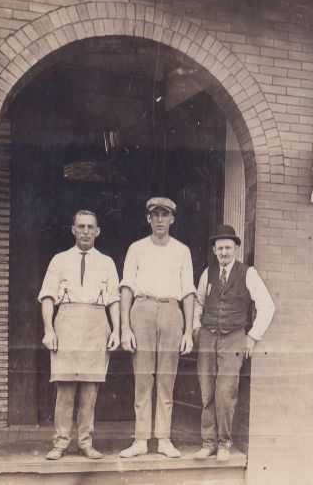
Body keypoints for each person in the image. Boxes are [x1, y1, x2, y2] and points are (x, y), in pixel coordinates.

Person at [39, 210, 121, 460]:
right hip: (67, 323)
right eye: (81, 226)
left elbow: (114, 300)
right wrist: (49, 329)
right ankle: (61, 442)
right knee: (65, 389)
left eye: (90, 227)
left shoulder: (106, 262)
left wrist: (117, 329)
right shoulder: (59, 260)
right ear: (73, 229)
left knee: (89, 390)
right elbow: (47, 297)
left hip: (96, 325)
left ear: (97, 231)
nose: (85, 231)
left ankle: (85, 442)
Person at [118, 197, 196, 459]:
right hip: (142, 310)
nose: (160, 219)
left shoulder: (182, 250)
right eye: (155, 215)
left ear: (172, 219)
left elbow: (188, 292)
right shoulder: (136, 248)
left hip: (171, 312)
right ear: (148, 219)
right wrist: (125, 328)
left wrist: (187, 331)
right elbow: (126, 288)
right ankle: (141, 439)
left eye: (165, 215)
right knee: (143, 377)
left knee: (166, 378)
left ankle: (163, 438)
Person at [192, 225, 275, 462]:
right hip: (208, 335)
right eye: (220, 248)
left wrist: (252, 336)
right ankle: (208, 442)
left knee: (226, 392)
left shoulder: (248, 273)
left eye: (228, 247)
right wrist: (197, 326)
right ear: (214, 250)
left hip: (234, 337)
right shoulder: (207, 273)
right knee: (207, 390)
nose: (224, 252)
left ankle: (224, 444)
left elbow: (267, 305)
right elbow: (198, 301)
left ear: (236, 248)